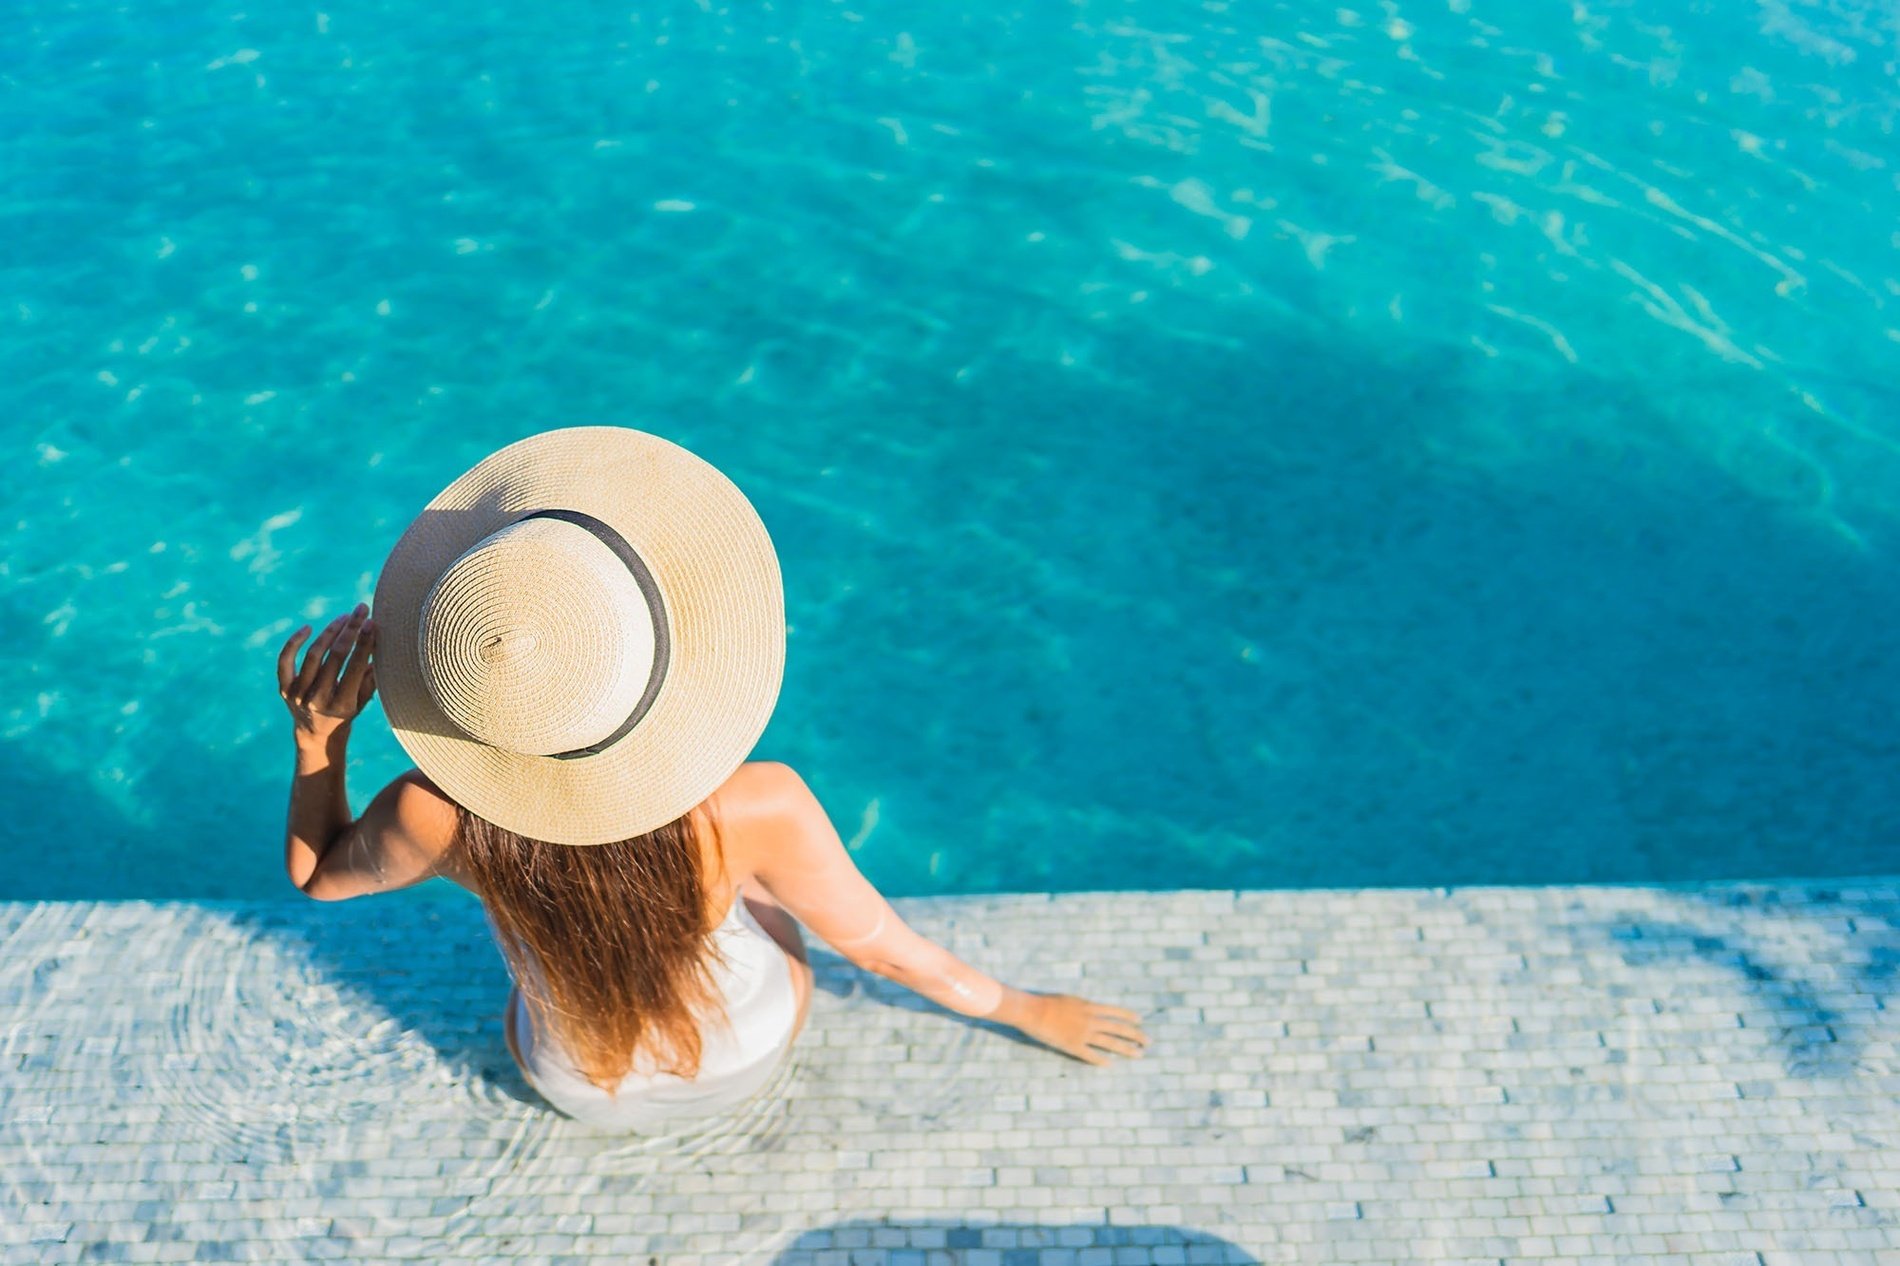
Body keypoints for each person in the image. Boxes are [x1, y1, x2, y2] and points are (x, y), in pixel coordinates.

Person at [277, 426, 1148, 1132]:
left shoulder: (430, 817)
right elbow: (881, 948)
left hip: (570, 1084)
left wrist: (319, 742)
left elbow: (317, 880)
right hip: (742, 1058)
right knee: (769, 905)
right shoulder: (756, 805)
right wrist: (1030, 1011)